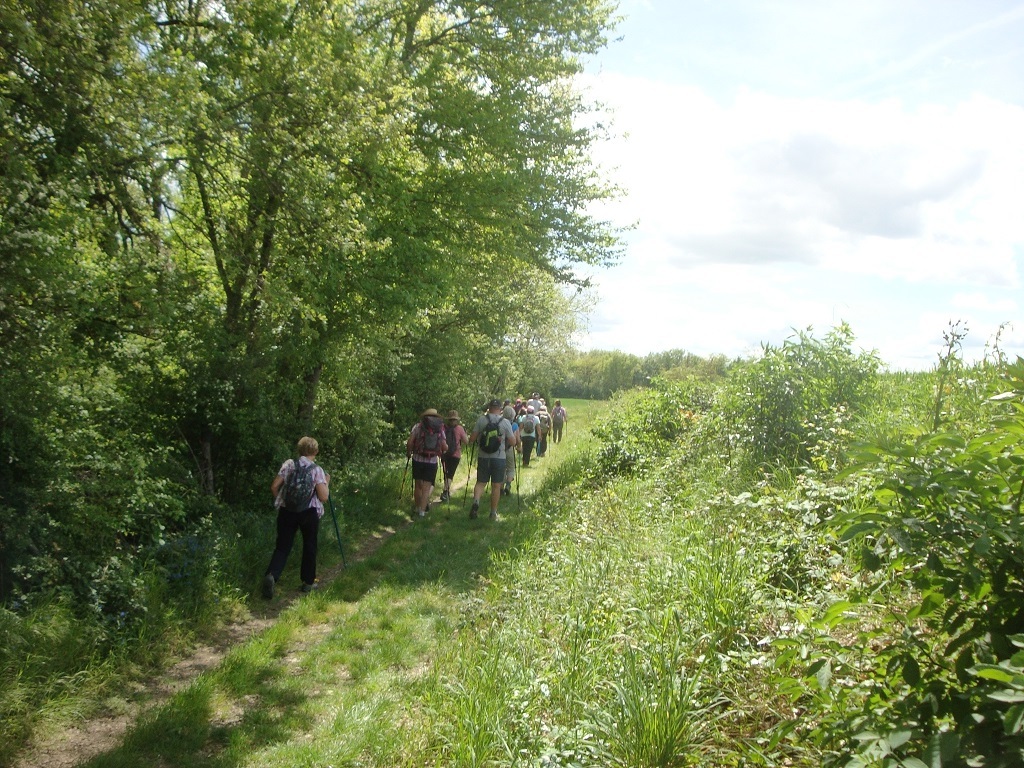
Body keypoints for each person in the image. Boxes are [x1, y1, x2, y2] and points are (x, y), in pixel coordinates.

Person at [263, 436, 330, 598]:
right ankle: (308, 582)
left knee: (282, 546)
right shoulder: (317, 470)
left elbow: (274, 486)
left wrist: (282, 501)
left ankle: (272, 575)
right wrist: (326, 482)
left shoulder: (289, 464)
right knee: (309, 545)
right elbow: (323, 497)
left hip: (287, 511)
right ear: (316, 451)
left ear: (299, 449)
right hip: (309, 512)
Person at [468, 399, 516, 520]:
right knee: (496, 485)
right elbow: (513, 442)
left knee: (480, 483)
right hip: (499, 458)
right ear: (500, 409)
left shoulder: (481, 420)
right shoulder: (505, 422)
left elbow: (472, 439)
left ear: (489, 408)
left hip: (483, 456)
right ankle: (493, 513)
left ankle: (476, 502)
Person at [406, 408, 447, 517]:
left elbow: (410, 442)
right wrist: (444, 450)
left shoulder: (418, 426)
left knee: (418, 486)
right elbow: (444, 446)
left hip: (417, 459)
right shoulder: (440, 429)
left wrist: (409, 453)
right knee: (426, 488)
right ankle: (422, 513)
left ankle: (417, 508)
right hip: (432, 461)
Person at [440, 410, 469, 502]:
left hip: (444, 453)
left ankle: (446, 491)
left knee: (446, 472)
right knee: (450, 474)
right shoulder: (460, 429)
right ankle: (445, 492)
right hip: (455, 454)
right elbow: (466, 441)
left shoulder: (443, 428)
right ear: (457, 419)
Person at [502, 405, 520, 495]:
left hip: (500, 449)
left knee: (501, 468)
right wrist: (519, 447)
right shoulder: (514, 425)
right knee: (511, 467)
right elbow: (517, 439)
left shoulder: (500, 423)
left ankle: (500, 488)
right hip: (510, 449)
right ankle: (508, 485)